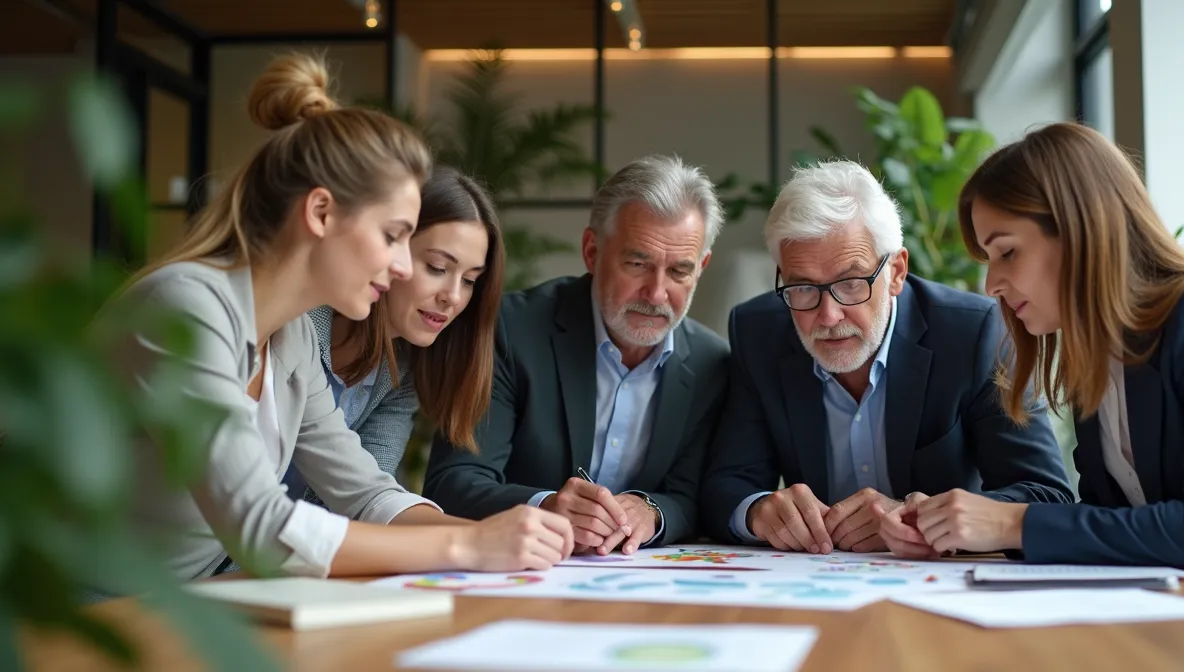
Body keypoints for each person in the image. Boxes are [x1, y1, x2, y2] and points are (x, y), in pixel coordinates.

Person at [103, 53, 572, 588]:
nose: (400, 265)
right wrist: (468, 543)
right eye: (394, 236)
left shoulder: (291, 334)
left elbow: (367, 491)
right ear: (321, 213)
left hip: (189, 606)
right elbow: (260, 525)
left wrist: (509, 545)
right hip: (80, 619)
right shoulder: (185, 307)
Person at [913, 121, 1184, 606]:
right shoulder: (1095, 356)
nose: (991, 284)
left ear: (1079, 229)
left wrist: (1009, 523)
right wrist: (960, 523)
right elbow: (1110, 522)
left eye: (1007, 252)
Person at [699, 160, 1073, 555]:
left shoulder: (976, 334)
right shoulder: (759, 332)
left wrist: (925, 519)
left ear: (896, 272)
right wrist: (758, 510)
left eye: (850, 282)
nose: (828, 315)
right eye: (803, 287)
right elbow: (726, 485)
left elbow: (1045, 495)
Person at [424, 155, 731, 555]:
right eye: (637, 263)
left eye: (679, 272)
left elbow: (692, 496)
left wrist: (652, 511)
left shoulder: (712, 362)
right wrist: (545, 505)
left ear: (701, 267)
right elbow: (454, 481)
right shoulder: (509, 330)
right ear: (591, 251)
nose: (656, 294)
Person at [283, 167, 504, 506]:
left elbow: (372, 499)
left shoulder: (402, 371)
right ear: (390, 248)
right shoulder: (297, 322)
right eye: (437, 268)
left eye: (470, 280)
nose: (454, 296)